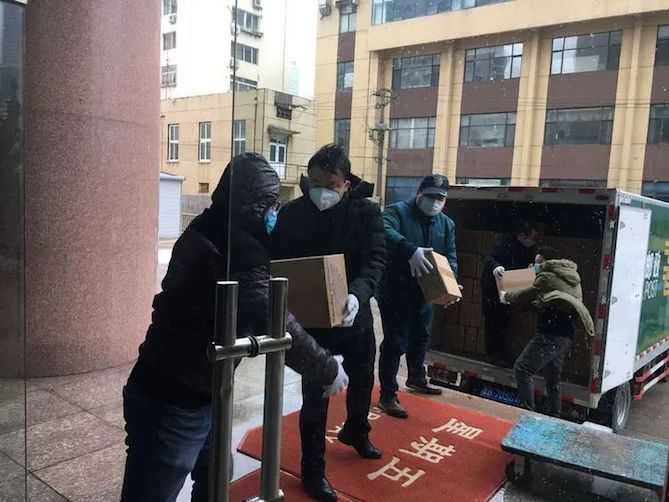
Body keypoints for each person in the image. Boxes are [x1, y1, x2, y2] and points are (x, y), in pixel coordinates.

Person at [121, 153, 348, 502]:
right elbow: (271, 318)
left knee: (216, 474)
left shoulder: (213, 228)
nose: (274, 213)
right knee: (154, 490)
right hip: (173, 400)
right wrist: (327, 368)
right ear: (252, 205)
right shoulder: (234, 249)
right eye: (270, 205)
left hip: (197, 389)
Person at [270, 144, 386, 502]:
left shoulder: (366, 213)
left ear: (346, 184)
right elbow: (277, 262)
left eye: (331, 185)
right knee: (316, 397)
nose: (322, 191)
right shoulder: (292, 214)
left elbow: (375, 260)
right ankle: (313, 470)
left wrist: (357, 294)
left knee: (363, 380)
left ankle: (356, 431)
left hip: (354, 316)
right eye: (315, 183)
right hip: (313, 325)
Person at [377, 174, 458, 419]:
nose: (435, 202)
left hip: (425, 292)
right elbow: (383, 230)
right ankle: (387, 394)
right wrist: (409, 250)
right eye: (431, 196)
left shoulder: (446, 224)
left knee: (421, 336)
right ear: (419, 193)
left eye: (440, 198)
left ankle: (416, 377)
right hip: (396, 289)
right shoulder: (398, 212)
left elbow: (451, 256)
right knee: (395, 341)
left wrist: (450, 283)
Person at [499, 246, 594, 416]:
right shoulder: (571, 276)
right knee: (552, 376)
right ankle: (554, 415)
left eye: (538, 262)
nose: (535, 265)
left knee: (522, 368)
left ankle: (527, 413)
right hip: (565, 334)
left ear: (547, 262)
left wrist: (506, 296)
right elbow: (549, 299)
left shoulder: (547, 277)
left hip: (551, 332)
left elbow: (527, 294)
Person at [481, 220, 540, 366]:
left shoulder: (528, 248)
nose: (533, 241)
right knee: (493, 319)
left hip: (509, 287)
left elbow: (530, 261)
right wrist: (496, 267)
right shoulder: (504, 243)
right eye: (532, 238)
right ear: (522, 235)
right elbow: (488, 257)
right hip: (492, 286)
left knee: (504, 320)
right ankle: (492, 354)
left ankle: (502, 352)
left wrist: (531, 268)